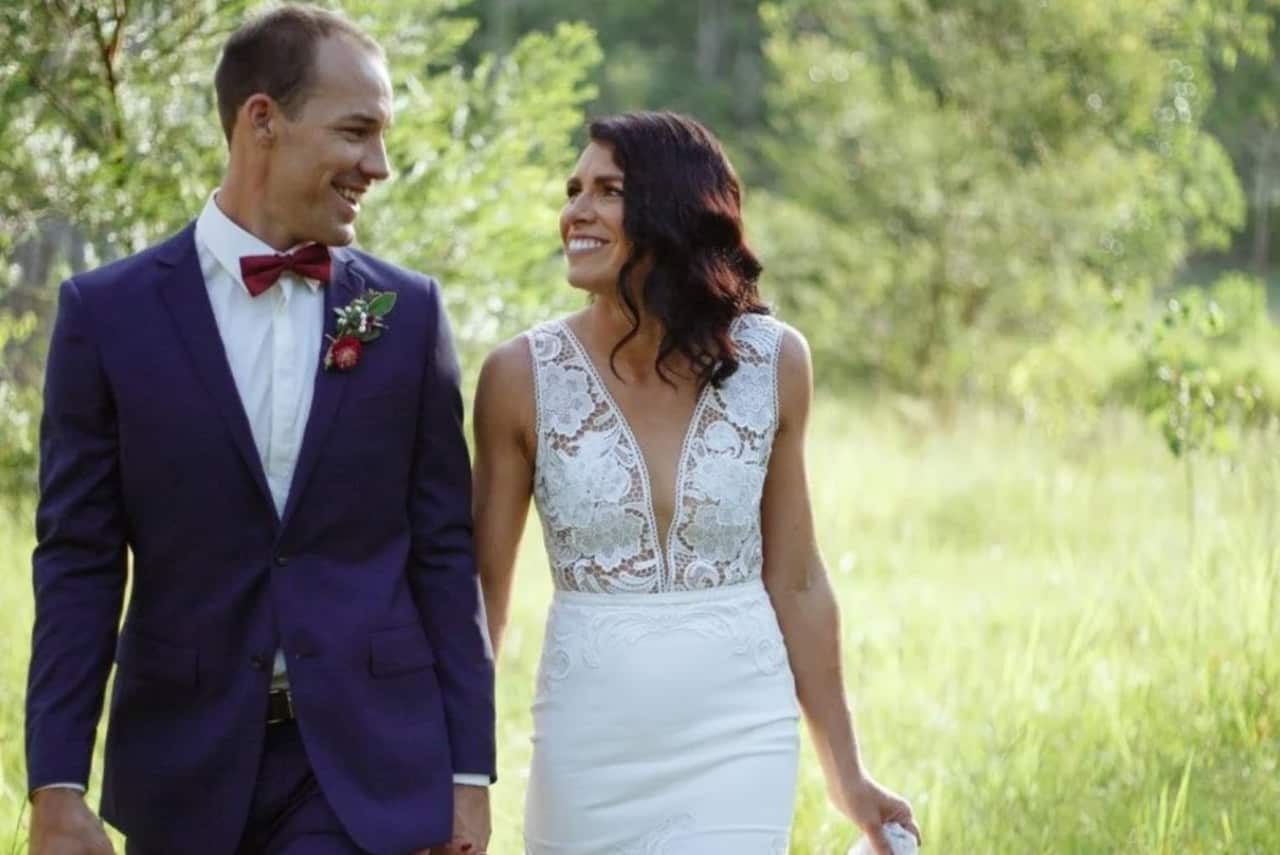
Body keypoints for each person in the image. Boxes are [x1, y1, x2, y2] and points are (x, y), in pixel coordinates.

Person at [25, 6, 494, 854]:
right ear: (262, 121)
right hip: (182, 763)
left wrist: (468, 776)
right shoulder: (105, 315)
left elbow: (442, 555)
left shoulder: (408, 314)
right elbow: (79, 559)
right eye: (357, 132)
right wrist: (57, 784)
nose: (378, 166)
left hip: (362, 767)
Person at [473, 111, 921, 854]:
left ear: (673, 208)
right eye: (573, 188)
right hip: (587, 745)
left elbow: (800, 578)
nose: (574, 211)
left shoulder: (774, 362)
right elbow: (480, 601)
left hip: (738, 731)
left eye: (607, 191)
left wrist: (848, 775)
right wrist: (462, 775)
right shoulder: (518, 376)